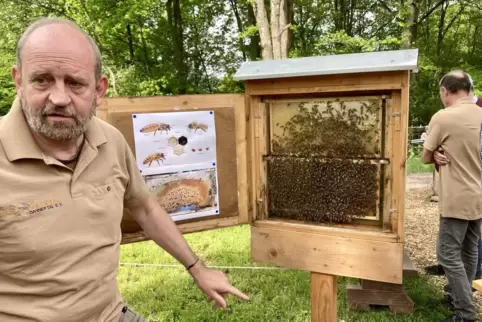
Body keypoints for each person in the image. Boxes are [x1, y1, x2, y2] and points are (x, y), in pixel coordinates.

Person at [0, 17, 249, 322]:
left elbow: (144, 207)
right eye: (42, 80)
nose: (60, 98)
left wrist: (197, 267)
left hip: (111, 315)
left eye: (75, 83)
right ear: (18, 80)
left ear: (99, 89)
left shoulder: (110, 141)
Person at [422, 70, 482, 322]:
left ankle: (465, 314)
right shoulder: (481, 113)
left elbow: (425, 156)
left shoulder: (443, 117)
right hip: (479, 197)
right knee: (469, 251)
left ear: (445, 91)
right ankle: (459, 298)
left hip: (456, 199)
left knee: (447, 255)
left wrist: (433, 152)